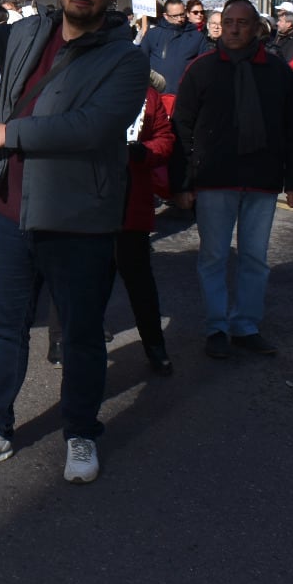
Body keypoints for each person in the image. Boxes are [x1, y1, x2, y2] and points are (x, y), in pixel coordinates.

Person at [0, 0, 146, 484]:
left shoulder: (125, 59)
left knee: (80, 335)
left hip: (79, 219)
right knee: (6, 330)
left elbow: (94, 127)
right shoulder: (31, 31)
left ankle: (81, 431)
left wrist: (8, 134)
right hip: (10, 213)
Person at [171, 0, 293, 358]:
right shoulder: (201, 69)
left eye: (241, 23)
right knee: (214, 256)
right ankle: (216, 326)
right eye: (228, 22)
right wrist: (183, 183)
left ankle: (246, 325)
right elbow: (181, 128)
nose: (233, 28)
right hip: (215, 179)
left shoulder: (277, 71)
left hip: (262, 178)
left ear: (254, 28)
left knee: (255, 258)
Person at [117, 69, 176, 374]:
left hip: (132, 206)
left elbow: (165, 138)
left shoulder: (148, 95)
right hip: (88, 204)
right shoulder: (85, 86)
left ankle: (155, 346)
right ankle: (63, 344)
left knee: (140, 284)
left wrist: (145, 152)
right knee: (81, 284)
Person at [139, 0, 210, 98]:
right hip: (156, 95)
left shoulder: (196, 37)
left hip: (185, 96)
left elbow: (204, 67)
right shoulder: (152, 35)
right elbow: (141, 62)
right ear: (166, 15)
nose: (180, 19)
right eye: (175, 16)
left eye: (182, 15)